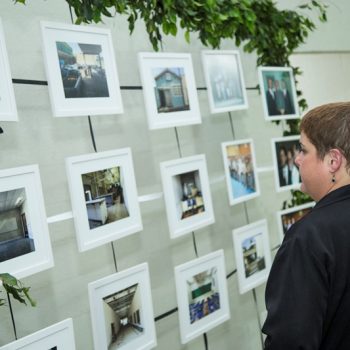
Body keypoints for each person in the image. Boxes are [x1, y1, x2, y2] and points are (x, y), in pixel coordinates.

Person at [262, 102, 350, 349]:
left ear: (333, 161)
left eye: (303, 149)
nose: (297, 160)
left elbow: (290, 341)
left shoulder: (309, 237)